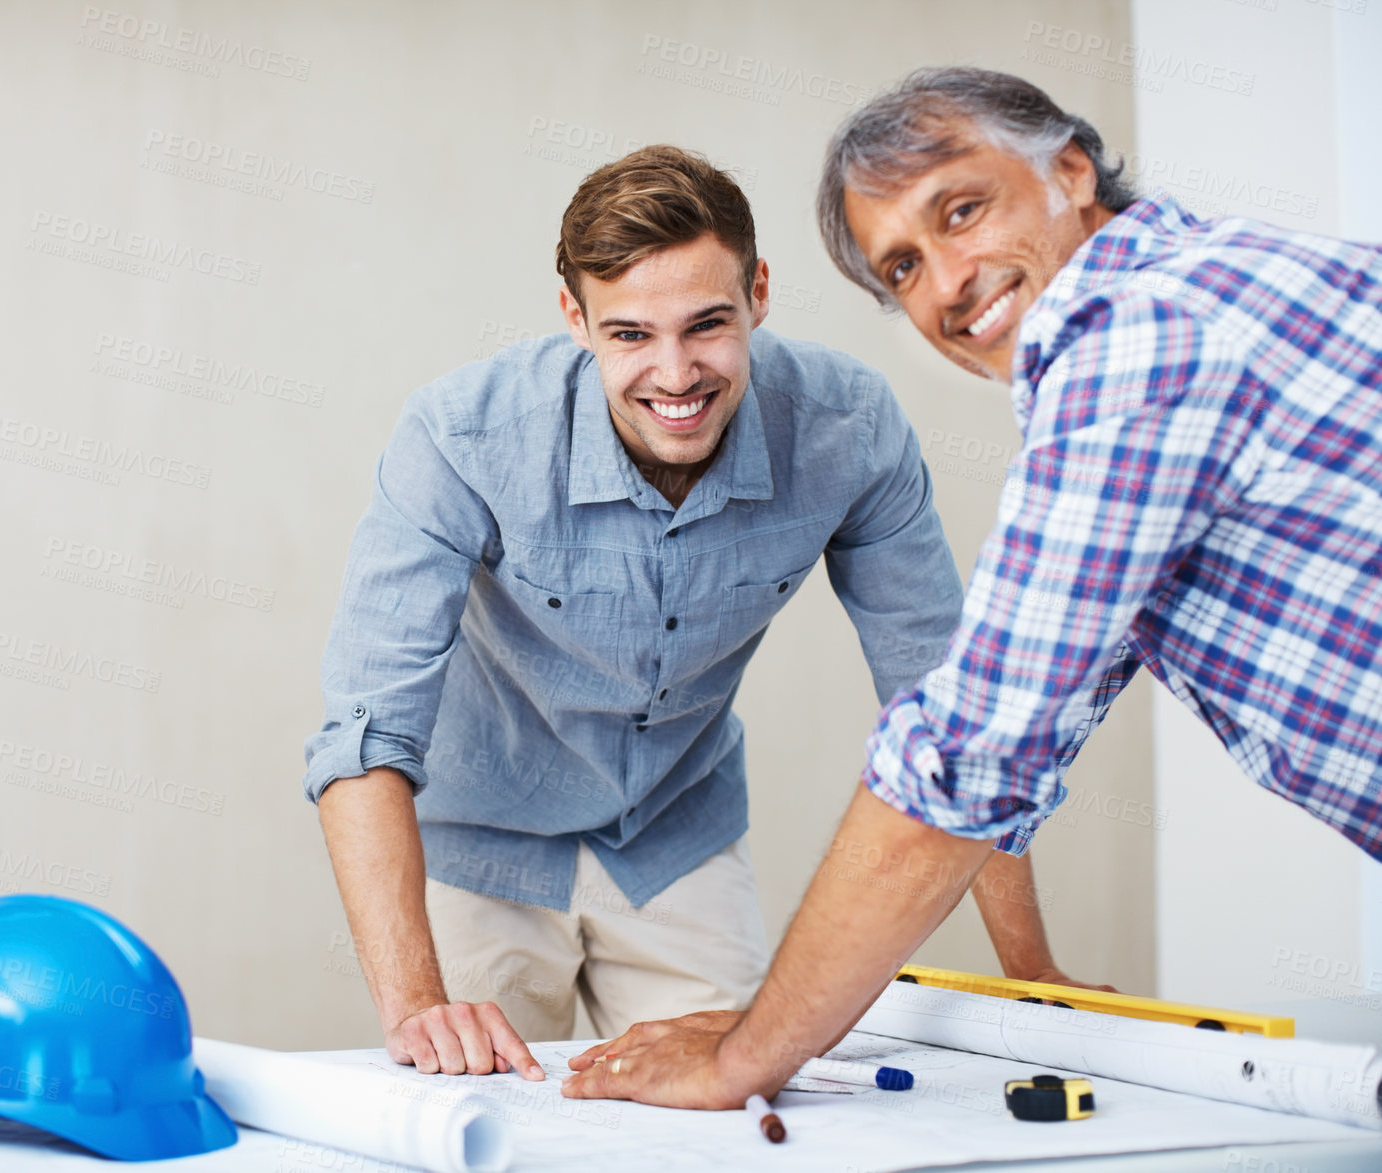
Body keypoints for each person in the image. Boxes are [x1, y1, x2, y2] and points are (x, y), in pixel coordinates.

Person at [561, 66, 1382, 1109]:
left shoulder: (1134, 342)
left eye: (961, 210)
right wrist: (806, 1021)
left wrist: (746, 1055)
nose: (946, 281)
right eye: (900, 266)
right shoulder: (1192, 291)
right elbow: (1024, 714)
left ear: (1070, 170)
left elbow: (967, 750)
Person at [305, 143, 1094, 1083]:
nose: (674, 374)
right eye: (630, 334)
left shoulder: (850, 429)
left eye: (706, 325)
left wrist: (1030, 970)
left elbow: (954, 708)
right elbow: (363, 733)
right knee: (486, 1124)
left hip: (678, 839)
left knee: (739, 1109)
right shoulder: (461, 437)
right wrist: (417, 1007)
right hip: (482, 848)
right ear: (575, 317)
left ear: (758, 292)